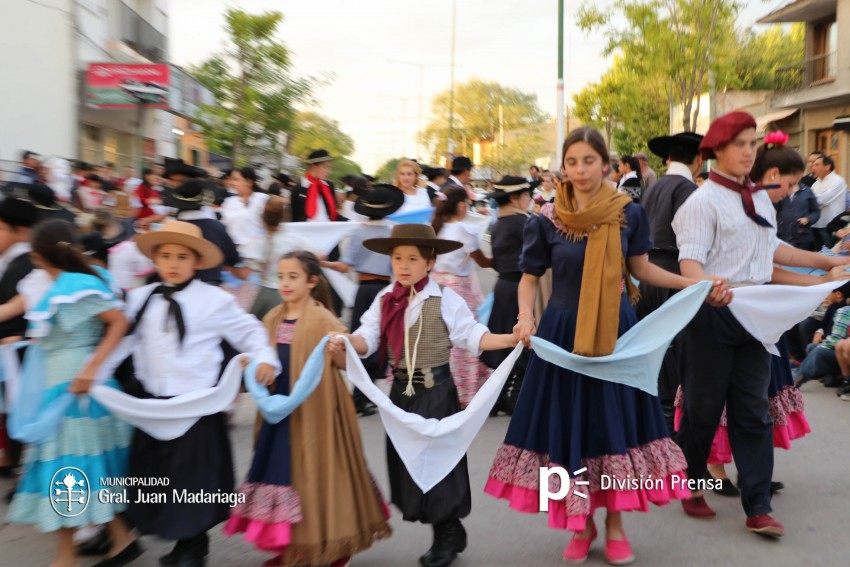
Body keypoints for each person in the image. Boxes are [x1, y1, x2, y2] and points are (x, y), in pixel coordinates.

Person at [485, 127, 725, 566]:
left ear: (606, 164)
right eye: (572, 162)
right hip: (562, 338)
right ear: (564, 166)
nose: (579, 170)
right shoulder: (546, 219)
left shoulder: (628, 214)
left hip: (616, 336)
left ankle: (615, 524)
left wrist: (694, 283)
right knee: (568, 430)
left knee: (615, 429)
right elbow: (530, 278)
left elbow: (643, 270)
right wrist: (525, 317)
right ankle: (580, 524)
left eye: (588, 161)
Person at [672, 111, 850, 538]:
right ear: (717, 151)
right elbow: (689, 263)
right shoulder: (701, 202)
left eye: (753, 143)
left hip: (755, 319)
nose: (748, 151)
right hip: (710, 316)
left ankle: (758, 507)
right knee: (703, 411)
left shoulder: (759, 199)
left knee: (754, 412)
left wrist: (827, 265)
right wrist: (706, 287)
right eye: (740, 144)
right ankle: (691, 484)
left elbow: (773, 258)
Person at [327, 223, 517, 567]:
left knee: (438, 466)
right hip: (399, 395)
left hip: (436, 393)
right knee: (409, 465)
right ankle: (450, 528)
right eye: (397, 258)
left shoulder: (445, 298)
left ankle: (444, 537)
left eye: (412, 258)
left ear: (430, 262)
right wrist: (343, 340)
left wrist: (510, 339)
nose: (403, 265)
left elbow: (473, 336)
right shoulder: (386, 299)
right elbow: (366, 339)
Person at [124, 221, 280, 567]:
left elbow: (251, 333)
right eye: (165, 256)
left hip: (195, 405)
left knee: (193, 476)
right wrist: (95, 373)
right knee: (156, 474)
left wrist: (265, 359)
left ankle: (193, 545)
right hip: (153, 404)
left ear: (197, 262)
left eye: (182, 256)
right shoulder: (139, 299)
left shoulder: (214, 301)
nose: (173, 263)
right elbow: (124, 344)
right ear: (155, 259)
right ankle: (174, 537)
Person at [226, 250, 391, 566]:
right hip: (280, 413)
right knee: (286, 475)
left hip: (318, 411)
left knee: (318, 474)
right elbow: (262, 357)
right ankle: (294, 549)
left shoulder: (322, 318)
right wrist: (253, 364)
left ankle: (331, 547)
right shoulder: (272, 317)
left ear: (312, 281)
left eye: (293, 277)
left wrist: (338, 348)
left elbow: (347, 364)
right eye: (282, 276)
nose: (285, 283)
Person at [7, 220, 140, 567]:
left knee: (68, 470)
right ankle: (120, 541)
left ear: (38, 256)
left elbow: (118, 320)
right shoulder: (67, 282)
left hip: (77, 390)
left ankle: (65, 558)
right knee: (81, 468)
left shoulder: (74, 284)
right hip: (65, 388)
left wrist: (92, 367)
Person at [638, 131, 704, 433]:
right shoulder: (689, 189)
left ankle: (652, 417)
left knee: (653, 342)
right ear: (699, 160)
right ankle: (668, 423)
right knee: (674, 346)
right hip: (674, 271)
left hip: (647, 269)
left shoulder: (653, 186)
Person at [322, 185, 405, 416]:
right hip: (386, 289)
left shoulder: (358, 232)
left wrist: (324, 263)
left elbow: (344, 265)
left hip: (363, 290)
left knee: (361, 338)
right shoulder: (394, 231)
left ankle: (359, 395)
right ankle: (367, 395)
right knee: (382, 341)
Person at [430, 186, 493, 406]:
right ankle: (464, 391)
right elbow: (482, 261)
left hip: (436, 285)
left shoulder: (436, 228)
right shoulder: (464, 231)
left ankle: (440, 387)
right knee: (464, 337)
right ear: (461, 204)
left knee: (442, 339)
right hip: (458, 288)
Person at [480, 176, 533, 415]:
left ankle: (499, 397)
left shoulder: (498, 223)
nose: (529, 200)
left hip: (503, 286)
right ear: (514, 198)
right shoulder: (522, 223)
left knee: (506, 345)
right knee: (523, 342)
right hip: (519, 288)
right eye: (526, 196)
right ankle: (514, 396)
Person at [244, 197, 317, 320]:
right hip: (286, 293)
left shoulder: (257, 241)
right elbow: (317, 255)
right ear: (284, 216)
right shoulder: (294, 239)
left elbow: (251, 266)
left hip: (263, 292)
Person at [220, 167, 270, 247]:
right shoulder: (229, 202)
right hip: (232, 248)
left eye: (236, 179)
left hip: (254, 249)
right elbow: (223, 225)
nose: (232, 183)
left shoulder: (261, 199)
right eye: (231, 179)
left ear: (249, 182)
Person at [811, 154, 848, 249]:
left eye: (817, 164)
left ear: (827, 167)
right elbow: (810, 202)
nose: (812, 167)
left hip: (830, 227)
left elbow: (822, 200)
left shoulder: (838, 181)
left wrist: (814, 199)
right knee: (818, 258)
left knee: (830, 256)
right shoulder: (816, 183)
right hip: (815, 225)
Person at [292, 150, 338, 222]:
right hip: (307, 232)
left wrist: (352, 222)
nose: (329, 172)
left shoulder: (329, 186)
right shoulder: (298, 189)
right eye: (325, 167)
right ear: (314, 166)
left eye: (329, 168)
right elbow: (295, 218)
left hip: (328, 231)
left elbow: (335, 215)